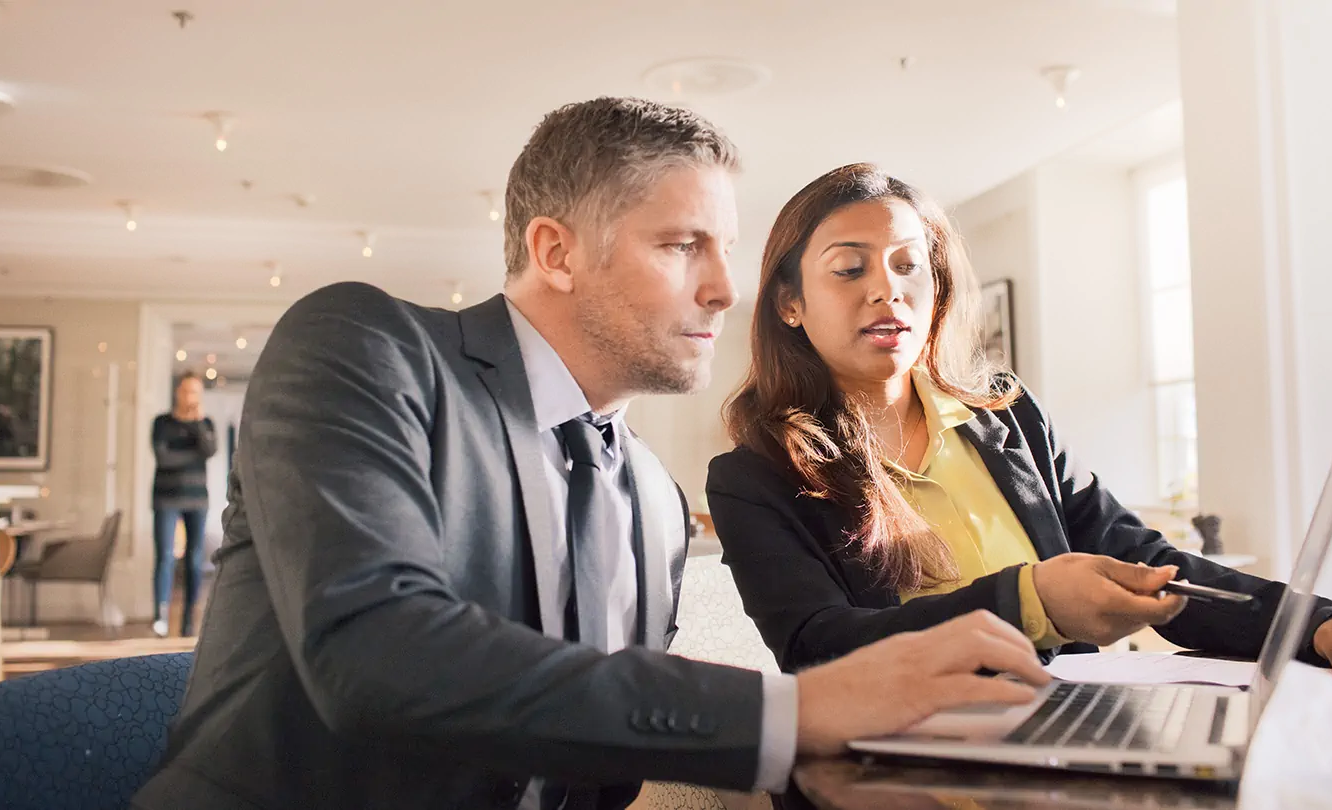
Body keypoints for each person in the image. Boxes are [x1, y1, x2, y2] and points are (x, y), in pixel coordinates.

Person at [132, 101, 1051, 810]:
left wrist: (806, 767)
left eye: (725, 250)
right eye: (684, 244)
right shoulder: (363, 347)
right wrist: (794, 715)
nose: (728, 288)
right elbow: (378, 654)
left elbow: (595, 749)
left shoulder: (654, 499)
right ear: (555, 251)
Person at [707, 162, 1332, 680]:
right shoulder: (753, 477)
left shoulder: (1007, 415)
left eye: (910, 266)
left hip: (1063, 746)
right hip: (892, 771)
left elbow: (1150, 565)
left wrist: (1318, 624)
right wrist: (1029, 599)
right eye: (849, 269)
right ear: (790, 302)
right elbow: (820, 647)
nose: (886, 288)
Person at [150, 371, 217, 638]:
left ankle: (189, 619)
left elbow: (210, 451)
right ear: (178, 391)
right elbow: (162, 459)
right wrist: (193, 456)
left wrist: (198, 425)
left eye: (196, 392)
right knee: (165, 557)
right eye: (187, 391)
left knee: (194, 559)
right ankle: (160, 616)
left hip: (197, 500)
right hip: (165, 499)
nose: (191, 396)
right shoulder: (161, 423)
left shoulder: (206, 423)